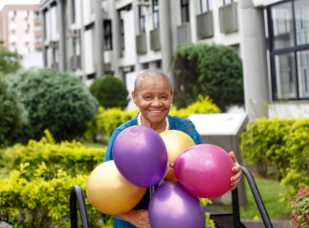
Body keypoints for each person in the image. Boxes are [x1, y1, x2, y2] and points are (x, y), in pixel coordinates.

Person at [103, 69, 242, 228]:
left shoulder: (185, 129)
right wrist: (132, 216)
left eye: (163, 96)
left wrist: (230, 173)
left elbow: (205, 172)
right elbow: (104, 189)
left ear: (171, 96)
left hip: (181, 222)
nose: (156, 103)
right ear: (134, 97)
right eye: (148, 97)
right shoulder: (123, 136)